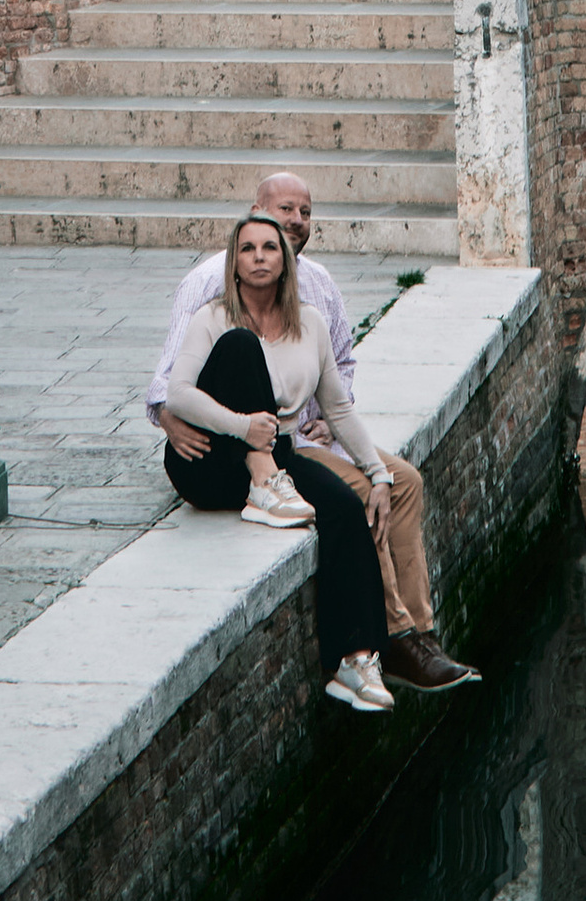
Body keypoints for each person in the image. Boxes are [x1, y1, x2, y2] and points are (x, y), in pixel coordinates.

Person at [149, 171, 478, 695]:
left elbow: (340, 372)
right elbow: (171, 384)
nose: (294, 223)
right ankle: (392, 637)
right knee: (355, 495)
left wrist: (354, 443)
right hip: (260, 447)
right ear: (254, 215)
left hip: (310, 435)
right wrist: (174, 420)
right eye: (283, 211)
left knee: (403, 481)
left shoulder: (316, 291)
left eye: (304, 212)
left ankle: (421, 633)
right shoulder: (209, 289)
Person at [157, 214, 400, 713]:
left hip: (279, 456)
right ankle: (262, 483)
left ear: (287, 262)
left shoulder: (309, 323)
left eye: (271, 248)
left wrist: (377, 473)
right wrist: (243, 428)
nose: (260, 257)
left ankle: (354, 660)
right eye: (248, 249)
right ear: (235, 264)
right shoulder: (213, 316)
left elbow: (337, 407)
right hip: (207, 460)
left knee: (346, 509)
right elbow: (177, 395)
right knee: (242, 346)